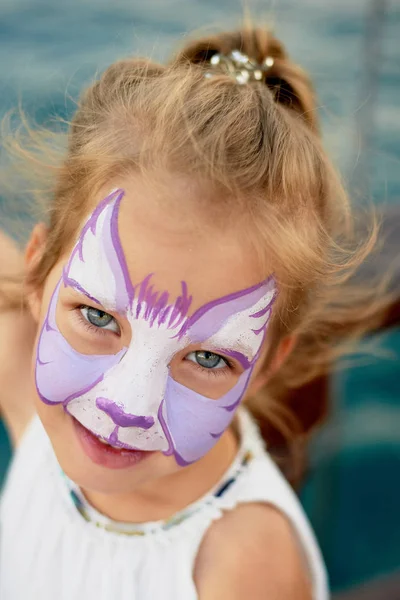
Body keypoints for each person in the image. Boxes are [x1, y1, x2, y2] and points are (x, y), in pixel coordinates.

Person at [0, 25, 387, 600]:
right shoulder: (27, 386)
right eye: (99, 318)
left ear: (268, 364)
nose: (126, 406)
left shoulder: (241, 571)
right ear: (37, 276)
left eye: (206, 357)